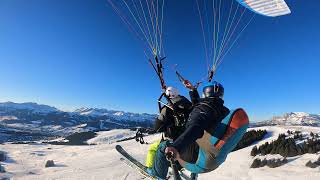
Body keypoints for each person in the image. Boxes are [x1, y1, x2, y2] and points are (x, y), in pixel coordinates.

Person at [149, 81, 231, 179]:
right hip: (215, 157)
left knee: (164, 146)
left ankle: (158, 175)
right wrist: (192, 90)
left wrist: (176, 147)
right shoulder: (224, 111)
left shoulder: (202, 111)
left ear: (205, 93)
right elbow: (200, 107)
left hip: (199, 158)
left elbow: (195, 128)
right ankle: (193, 175)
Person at [145, 86, 192, 171]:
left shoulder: (168, 108)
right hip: (188, 140)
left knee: (153, 149)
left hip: (172, 141)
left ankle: (152, 170)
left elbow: (158, 127)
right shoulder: (189, 105)